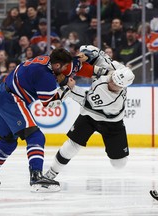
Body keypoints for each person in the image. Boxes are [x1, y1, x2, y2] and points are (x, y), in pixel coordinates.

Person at [0, 48, 75, 192]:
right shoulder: (46, 76)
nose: (66, 70)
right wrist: (68, 89)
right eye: (64, 67)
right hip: (12, 100)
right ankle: (36, 176)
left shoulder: (45, 59)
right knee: (35, 136)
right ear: (57, 66)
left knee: (8, 141)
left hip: (1, 95)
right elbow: (50, 104)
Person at [44, 45, 135, 182]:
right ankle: (51, 173)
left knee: (119, 164)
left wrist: (67, 88)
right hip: (89, 117)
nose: (111, 83)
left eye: (116, 84)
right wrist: (87, 54)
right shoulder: (115, 68)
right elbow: (97, 53)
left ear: (123, 87)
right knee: (72, 145)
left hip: (112, 121)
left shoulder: (113, 99)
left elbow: (85, 99)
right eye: (112, 79)